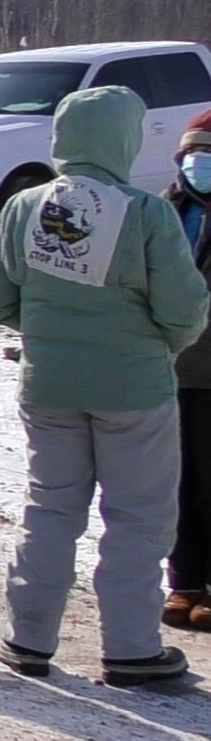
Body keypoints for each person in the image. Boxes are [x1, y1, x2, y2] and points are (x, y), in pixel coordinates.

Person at [0, 86, 209, 685]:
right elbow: (185, 311)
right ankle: (132, 651)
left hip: (48, 386)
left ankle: (28, 639)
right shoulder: (146, 212)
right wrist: (157, 346)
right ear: (126, 139)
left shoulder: (23, 206)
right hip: (135, 391)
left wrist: (53, 331)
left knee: (49, 509)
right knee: (137, 518)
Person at [165, 108, 211, 632]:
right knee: (175, 484)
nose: (200, 164)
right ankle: (185, 582)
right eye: (195, 154)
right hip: (169, 370)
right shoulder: (165, 211)